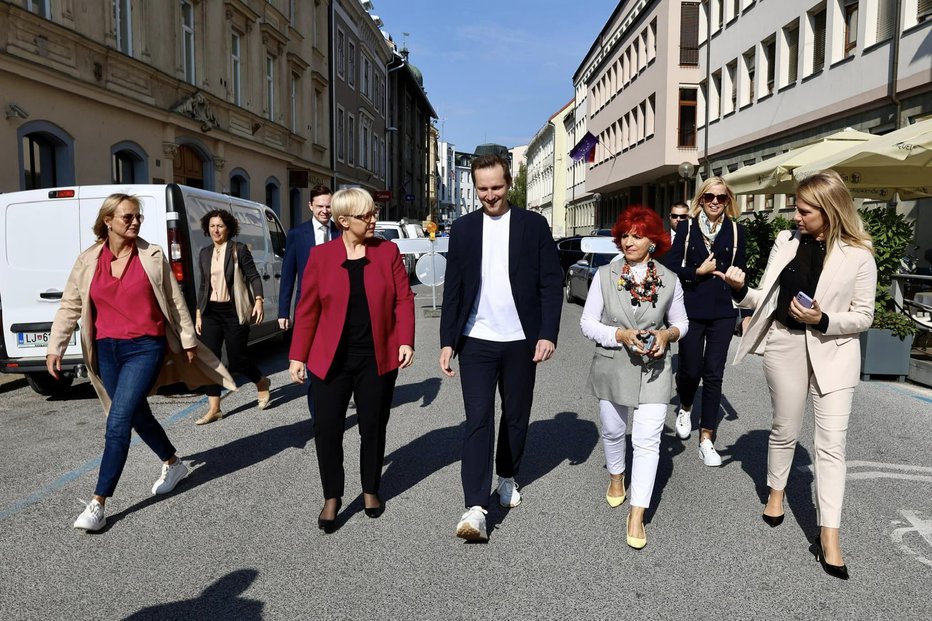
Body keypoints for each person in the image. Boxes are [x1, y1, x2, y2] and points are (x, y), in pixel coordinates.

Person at [716, 170, 876, 580]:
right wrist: (739, 291)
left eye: (804, 211)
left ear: (829, 210)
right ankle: (776, 492)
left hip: (834, 353)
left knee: (831, 447)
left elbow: (864, 315)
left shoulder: (859, 255)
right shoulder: (786, 242)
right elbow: (765, 298)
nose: (795, 217)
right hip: (785, 345)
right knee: (785, 428)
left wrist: (824, 320)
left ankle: (830, 535)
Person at [46, 193, 235, 532]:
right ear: (108, 221)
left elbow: (175, 300)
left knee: (118, 420)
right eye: (127, 217)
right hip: (106, 350)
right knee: (135, 413)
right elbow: (70, 305)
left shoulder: (151, 256)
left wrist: (189, 339)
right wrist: (55, 346)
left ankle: (98, 503)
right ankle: (173, 463)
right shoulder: (89, 260)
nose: (134, 222)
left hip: (146, 347)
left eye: (138, 217)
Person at [439, 153, 564, 542]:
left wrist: (547, 333)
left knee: (515, 416)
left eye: (496, 187)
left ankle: (507, 475)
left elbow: (550, 283)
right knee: (477, 418)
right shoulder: (462, 229)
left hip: (520, 341)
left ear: (509, 184)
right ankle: (475, 507)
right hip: (476, 340)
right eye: (482, 189)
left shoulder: (533, 226)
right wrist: (447, 342)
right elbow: (454, 289)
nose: (490, 195)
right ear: (475, 188)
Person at [288, 188, 415, 533]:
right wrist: (298, 355)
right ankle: (332, 495)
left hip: (377, 357)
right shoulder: (321, 257)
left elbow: (403, 299)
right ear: (344, 221)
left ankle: (371, 488)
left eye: (374, 213)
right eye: (366, 215)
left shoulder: (388, 252)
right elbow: (308, 309)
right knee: (327, 428)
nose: (374, 219)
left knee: (373, 425)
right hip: (331, 360)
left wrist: (406, 340)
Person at [580, 206, 687, 549]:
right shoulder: (605, 275)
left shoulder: (669, 280)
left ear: (653, 241)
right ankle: (616, 475)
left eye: (637, 235)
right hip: (613, 364)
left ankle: (637, 513)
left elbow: (682, 323)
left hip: (655, 369)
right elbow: (587, 323)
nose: (628, 241)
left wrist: (667, 336)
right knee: (613, 430)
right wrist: (620, 335)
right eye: (625, 235)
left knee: (647, 441)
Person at [663, 177, 746, 466]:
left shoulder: (736, 231)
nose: (714, 202)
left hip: (723, 310)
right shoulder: (686, 228)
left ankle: (707, 438)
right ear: (701, 199)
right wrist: (696, 271)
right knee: (690, 369)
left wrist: (739, 286)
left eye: (721, 198)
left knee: (713, 373)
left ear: (727, 200)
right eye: (709, 196)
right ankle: (685, 405)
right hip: (691, 308)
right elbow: (669, 265)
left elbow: (743, 270)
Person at [194, 209, 271, 425]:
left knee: (237, 359)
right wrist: (199, 313)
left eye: (220, 226)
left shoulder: (239, 250)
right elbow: (203, 286)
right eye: (212, 226)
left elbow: (254, 276)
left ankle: (261, 382)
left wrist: (258, 300)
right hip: (211, 312)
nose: (215, 230)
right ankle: (215, 408)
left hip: (233, 310)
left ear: (228, 228)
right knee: (210, 360)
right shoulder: (204, 252)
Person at [278, 185, 339, 331]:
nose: (324, 211)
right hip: (306, 304)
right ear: (310, 206)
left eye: (328, 207)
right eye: (320, 206)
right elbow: (288, 275)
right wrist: (283, 312)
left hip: (337, 305)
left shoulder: (341, 232)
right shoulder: (297, 234)